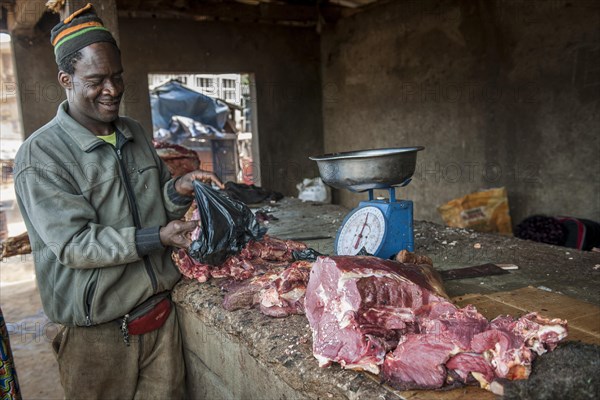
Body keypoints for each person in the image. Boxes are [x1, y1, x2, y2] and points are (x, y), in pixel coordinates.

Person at [13, 4, 218, 398]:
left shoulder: (135, 132)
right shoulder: (41, 156)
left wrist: (178, 191)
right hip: (98, 337)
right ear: (65, 79)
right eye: (97, 80)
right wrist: (156, 237)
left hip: (160, 321)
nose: (113, 89)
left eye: (117, 77)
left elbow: (157, 199)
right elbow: (74, 245)